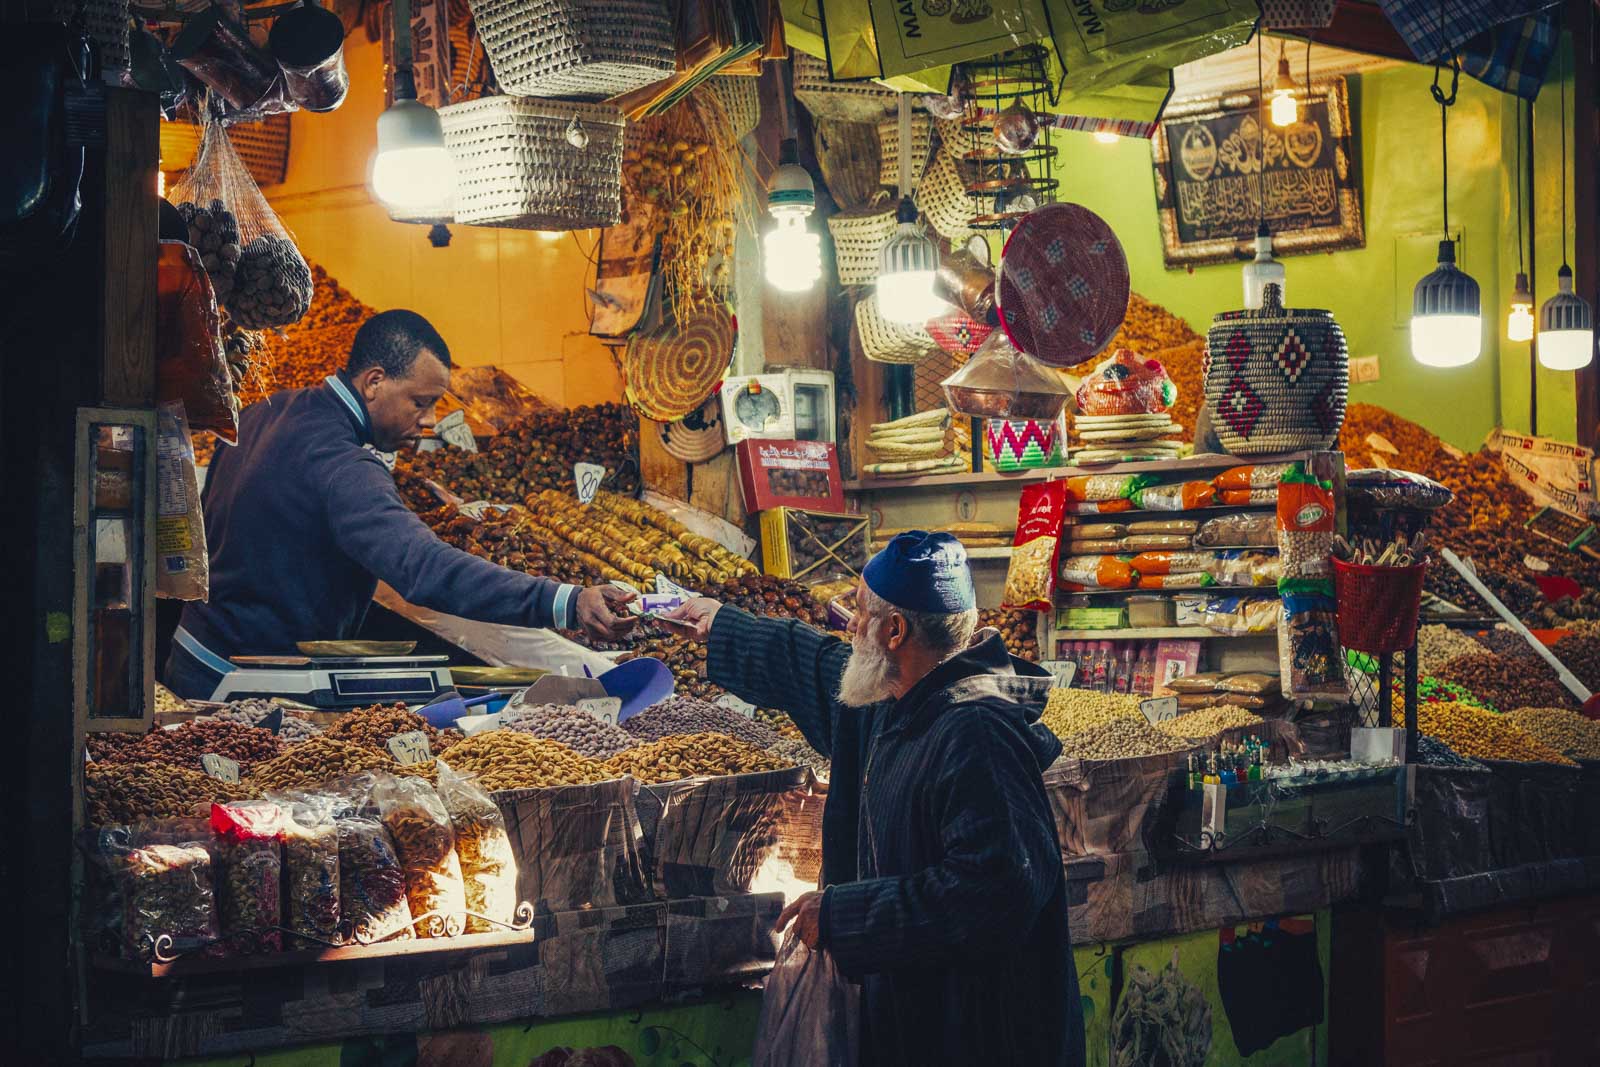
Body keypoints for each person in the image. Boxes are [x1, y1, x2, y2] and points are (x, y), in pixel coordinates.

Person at [661, 531, 1083, 1066]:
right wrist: (722, 624)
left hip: (982, 1034)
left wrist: (845, 915)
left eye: (859, 614)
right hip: (917, 1023)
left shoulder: (976, 732)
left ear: (895, 630)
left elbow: (995, 891)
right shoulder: (901, 697)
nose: (850, 626)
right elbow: (816, 666)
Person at [165, 310, 635, 699]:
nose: (429, 420)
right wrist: (566, 600)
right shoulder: (344, 467)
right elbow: (424, 569)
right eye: (420, 402)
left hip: (193, 650)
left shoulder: (265, 409)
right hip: (242, 679)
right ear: (374, 382)